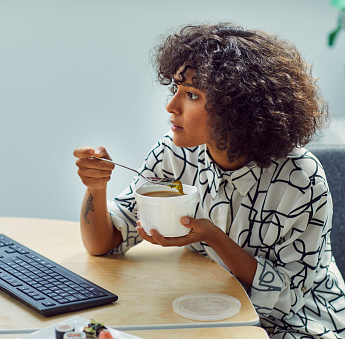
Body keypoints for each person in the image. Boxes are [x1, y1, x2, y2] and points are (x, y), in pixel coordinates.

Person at [73, 23, 345, 338]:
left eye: (191, 94)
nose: (171, 106)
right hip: (217, 313)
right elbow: (102, 244)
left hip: (302, 324)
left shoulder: (300, 179)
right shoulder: (176, 155)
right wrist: (96, 188)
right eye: (175, 89)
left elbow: (286, 299)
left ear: (237, 109)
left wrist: (212, 236)